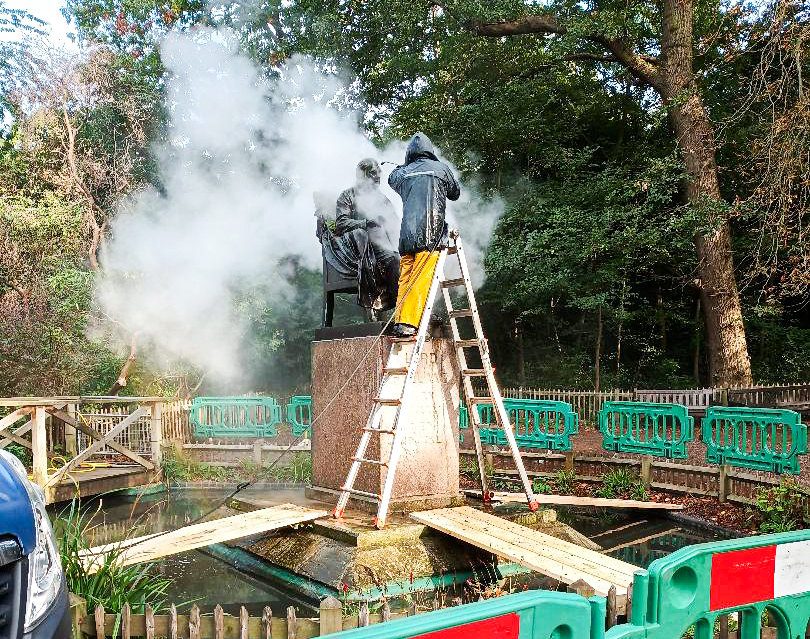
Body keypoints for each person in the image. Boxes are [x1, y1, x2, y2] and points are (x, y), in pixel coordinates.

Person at [387, 132, 460, 337]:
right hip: (431, 236)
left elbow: (392, 178)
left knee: (405, 279)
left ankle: (401, 320)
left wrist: (404, 165)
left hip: (406, 238)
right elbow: (455, 192)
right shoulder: (441, 168)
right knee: (421, 280)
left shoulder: (402, 173)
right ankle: (408, 324)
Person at [332, 158, 401, 312]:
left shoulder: (382, 199)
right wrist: (365, 223)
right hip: (361, 244)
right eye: (373, 173)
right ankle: (399, 308)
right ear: (362, 174)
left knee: (411, 258)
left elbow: (395, 222)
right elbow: (341, 223)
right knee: (394, 259)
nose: (377, 177)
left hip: (386, 241)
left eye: (378, 174)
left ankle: (416, 312)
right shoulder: (347, 195)